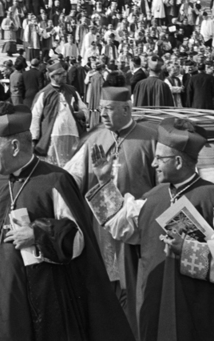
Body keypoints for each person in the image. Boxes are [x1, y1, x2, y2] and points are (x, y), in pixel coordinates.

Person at [0, 101, 133, 341]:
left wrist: (38, 234)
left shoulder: (55, 181)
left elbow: (78, 241)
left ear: (14, 146)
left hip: (44, 298)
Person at [99, 117, 214, 341]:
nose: (153, 164)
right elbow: (122, 228)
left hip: (197, 313)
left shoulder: (211, 198)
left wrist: (186, 250)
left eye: (159, 158)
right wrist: (104, 183)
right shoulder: (154, 197)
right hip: (155, 305)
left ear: (177, 161)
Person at [64, 86, 158, 335]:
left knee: (135, 296)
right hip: (99, 232)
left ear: (126, 109)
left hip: (135, 233)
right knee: (103, 295)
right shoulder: (94, 138)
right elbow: (71, 178)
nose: (102, 114)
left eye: (108, 109)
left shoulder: (149, 139)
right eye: (101, 108)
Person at [30, 61, 87, 166]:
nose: (64, 75)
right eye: (60, 74)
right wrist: (34, 138)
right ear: (52, 76)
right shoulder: (44, 93)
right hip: (53, 136)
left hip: (73, 133)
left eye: (64, 73)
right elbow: (35, 116)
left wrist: (82, 114)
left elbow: (83, 107)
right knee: (54, 165)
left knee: (72, 164)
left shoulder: (72, 90)